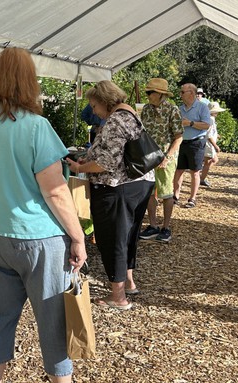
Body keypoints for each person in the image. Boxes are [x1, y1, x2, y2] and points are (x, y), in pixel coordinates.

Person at [0, 47, 86, 383]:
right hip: (35, 237)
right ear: (27, 81)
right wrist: (78, 237)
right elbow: (56, 191)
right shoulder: (36, 127)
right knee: (53, 320)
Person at [66, 80, 154, 310]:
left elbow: (107, 163)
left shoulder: (115, 120)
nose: (93, 111)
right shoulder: (129, 113)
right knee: (128, 236)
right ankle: (129, 283)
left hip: (116, 188)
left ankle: (118, 296)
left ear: (105, 102)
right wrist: (90, 159)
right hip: (139, 184)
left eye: (94, 106)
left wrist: (79, 168)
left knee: (113, 239)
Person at [138, 78, 183, 243]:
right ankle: (152, 225)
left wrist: (168, 158)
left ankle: (166, 227)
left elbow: (179, 137)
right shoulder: (146, 110)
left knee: (166, 192)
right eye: (147, 92)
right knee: (149, 191)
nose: (148, 95)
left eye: (151, 92)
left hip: (166, 157)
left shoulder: (173, 110)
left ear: (160, 94)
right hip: (148, 157)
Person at [173, 83, 212, 208]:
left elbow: (206, 125)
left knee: (195, 171)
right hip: (181, 142)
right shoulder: (179, 109)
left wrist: (189, 123)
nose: (180, 94)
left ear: (191, 93)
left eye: (182, 92)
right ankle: (175, 196)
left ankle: (192, 198)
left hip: (196, 142)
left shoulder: (202, 107)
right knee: (179, 170)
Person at [200, 101, 225, 187]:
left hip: (209, 143)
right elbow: (209, 135)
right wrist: (215, 145)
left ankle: (202, 176)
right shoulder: (210, 119)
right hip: (208, 144)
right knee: (209, 161)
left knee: (213, 160)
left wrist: (216, 135)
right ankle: (202, 178)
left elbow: (210, 132)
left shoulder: (210, 119)